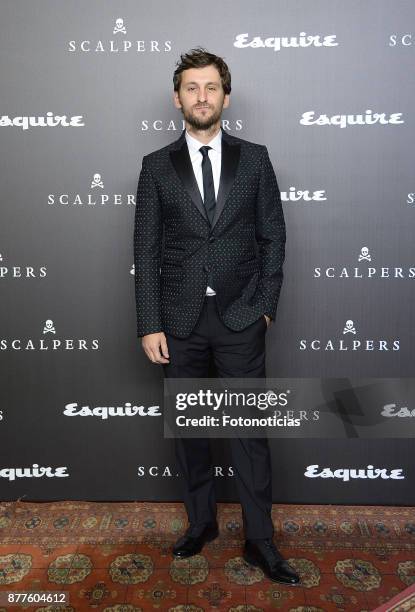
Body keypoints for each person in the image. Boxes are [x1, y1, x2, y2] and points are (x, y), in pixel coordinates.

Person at [134, 47, 300, 586]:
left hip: (241, 317)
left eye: (210, 88)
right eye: (191, 88)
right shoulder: (156, 166)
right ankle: (200, 522)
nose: (201, 97)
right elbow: (147, 250)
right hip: (178, 322)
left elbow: (273, 235)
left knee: (250, 432)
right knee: (191, 431)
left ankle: (260, 540)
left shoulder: (255, 158)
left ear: (226, 96)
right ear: (177, 97)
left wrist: (266, 308)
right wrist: (148, 322)